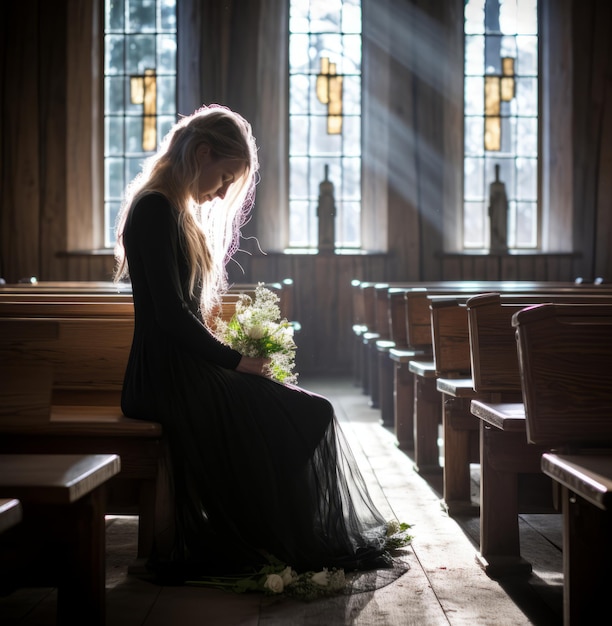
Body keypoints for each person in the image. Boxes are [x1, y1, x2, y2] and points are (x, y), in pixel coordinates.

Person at [114, 104, 399, 583]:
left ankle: (272, 535)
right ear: (202, 154)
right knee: (308, 414)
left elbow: (183, 314)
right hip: (164, 377)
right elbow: (168, 317)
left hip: (181, 369)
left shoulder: (172, 208)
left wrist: (229, 358)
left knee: (306, 412)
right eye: (224, 176)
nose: (224, 191)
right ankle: (275, 539)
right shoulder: (155, 209)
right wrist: (236, 362)